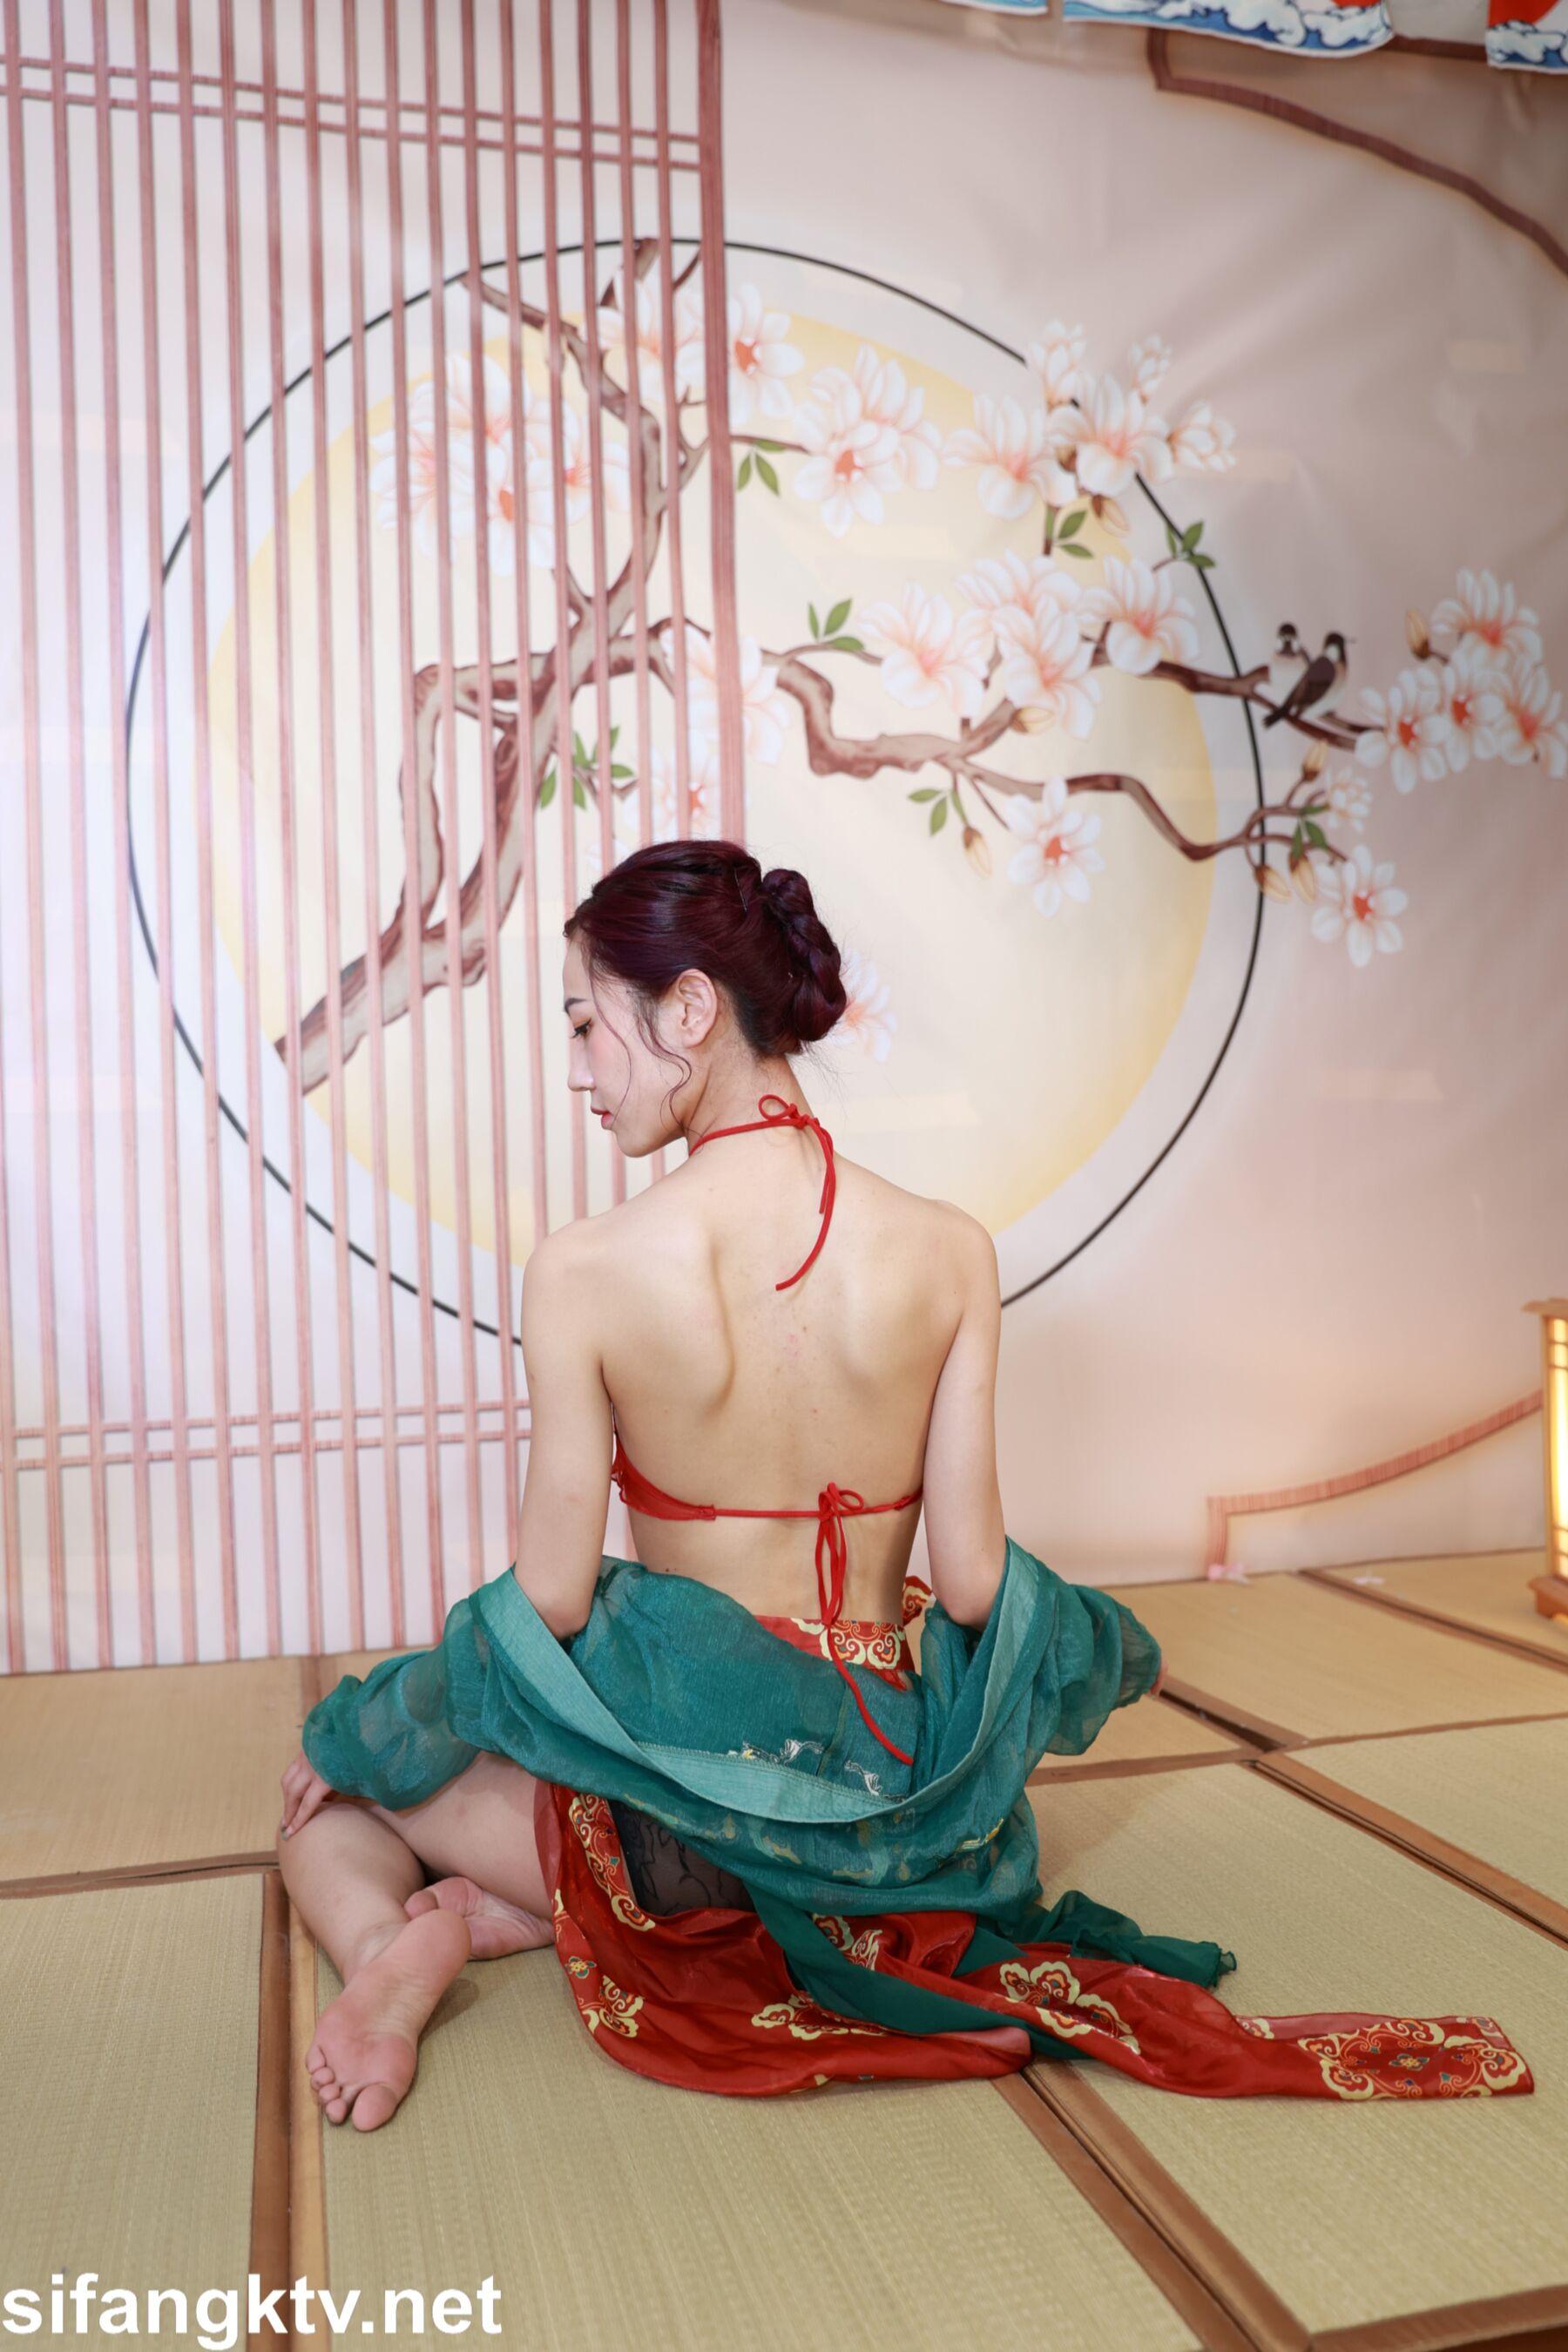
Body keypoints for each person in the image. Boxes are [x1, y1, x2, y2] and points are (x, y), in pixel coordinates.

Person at [277, 839, 1533, 2132]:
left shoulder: (587, 1269)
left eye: (587, 1023)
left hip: (682, 1835)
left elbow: (545, 1601)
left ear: (692, 1009)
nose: (578, 1069)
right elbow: (978, 1587)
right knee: (468, 1770)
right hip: (908, 1837)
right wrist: (1115, 1647)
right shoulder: (949, 1250)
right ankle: (513, 1916)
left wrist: (365, 1726)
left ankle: (393, 1952)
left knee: (336, 1798)